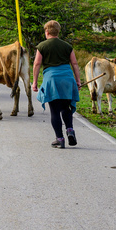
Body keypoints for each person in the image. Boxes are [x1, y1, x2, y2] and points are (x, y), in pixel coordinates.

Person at [31, 20, 82, 148]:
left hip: (52, 79)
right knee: (66, 107)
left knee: (54, 111)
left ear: (46, 32)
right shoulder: (67, 46)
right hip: (67, 78)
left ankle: (60, 139)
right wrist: (78, 80)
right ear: (58, 32)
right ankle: (70, 130)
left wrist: (35, 82)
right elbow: (74, 64)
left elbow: (37, 64)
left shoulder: (42, 46)